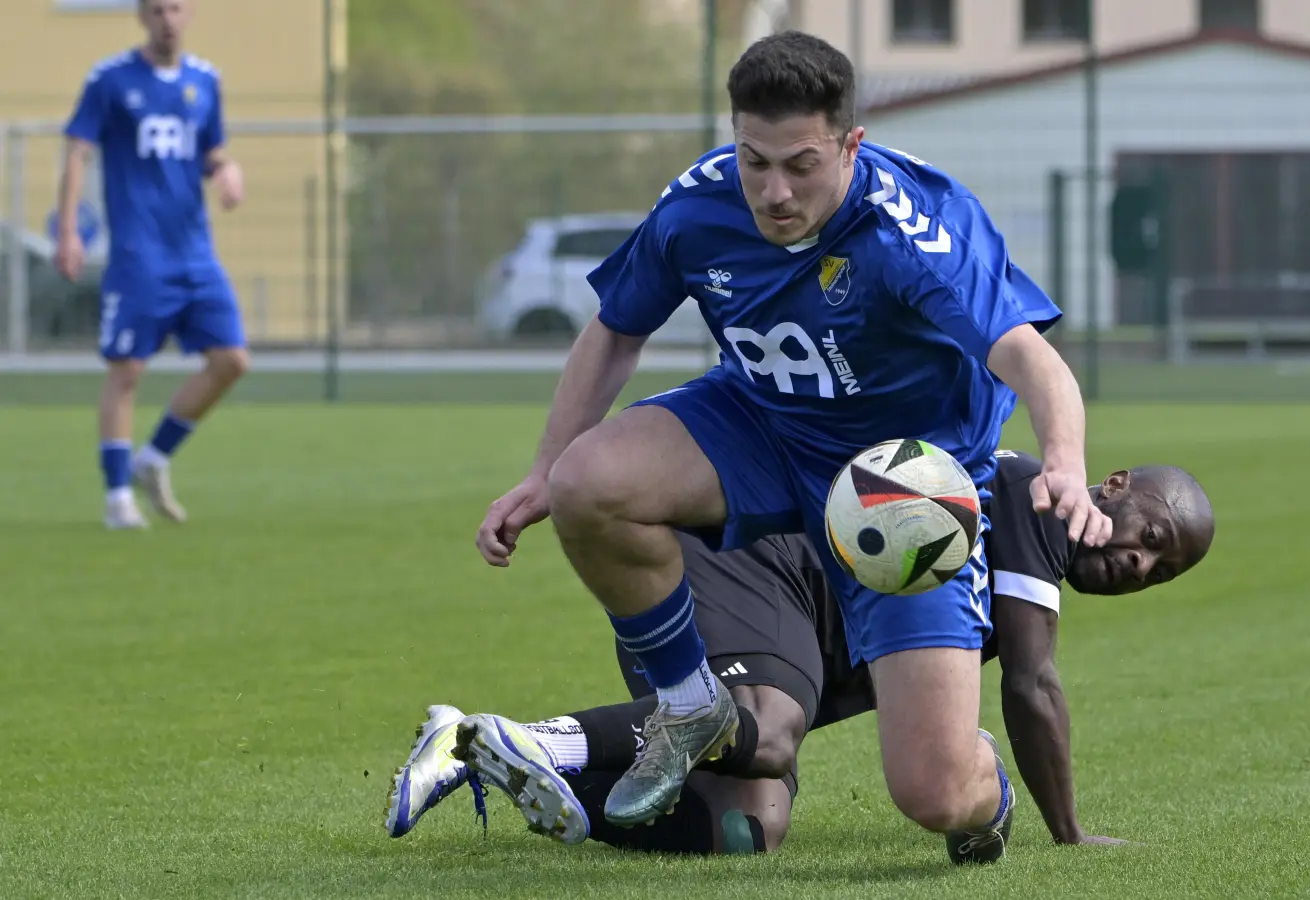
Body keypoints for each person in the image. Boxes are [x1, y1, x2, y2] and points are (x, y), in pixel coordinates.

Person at [474, 31, 1111, 853]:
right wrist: (540, 469)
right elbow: (614, 330)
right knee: (587, 483)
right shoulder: (700, 204)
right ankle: (688, 703)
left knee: (933, 792)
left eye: (801, 164)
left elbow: (1032, 359)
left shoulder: (911, 231)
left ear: (851, 144)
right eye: (755, 160)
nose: (773, 191)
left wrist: (1063, 460)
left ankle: (981, 788)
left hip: (900, 485)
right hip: (763, 426)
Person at [400, 454, 1213, 862]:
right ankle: (519, 738)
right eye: (1151, 536)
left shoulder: (1026, 562)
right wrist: (1067, 836)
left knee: (750, 825)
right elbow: (1033, 683)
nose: (1141, 564)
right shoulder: (1035, 497)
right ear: (1111, 486)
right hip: (750, 569)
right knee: (773, 726)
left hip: (774, 641)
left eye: (1161, 571)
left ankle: (540, 787)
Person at [55, 0, 249, 530]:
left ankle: (154, 458)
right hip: (140, 256)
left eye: (176, 9)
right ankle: (117, 495)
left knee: (231, 361)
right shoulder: (111, 80)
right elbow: (77, 150)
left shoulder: (205, 80)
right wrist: (68, 229)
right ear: (142, 16)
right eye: (157, 9)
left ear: (190, 15)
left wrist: (227, 170)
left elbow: (211, 149)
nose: (168, 19)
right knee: (128, 371)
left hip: (195, 252)